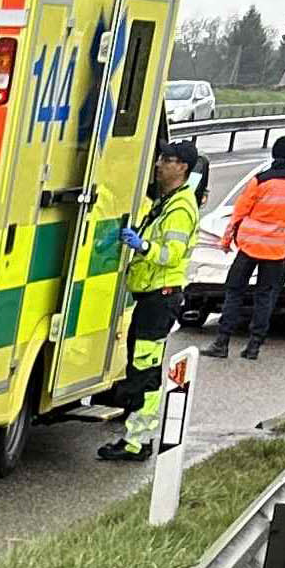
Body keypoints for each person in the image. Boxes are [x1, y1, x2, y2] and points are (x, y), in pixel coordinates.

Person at [97, 140, 204, 463]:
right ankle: (136, 436)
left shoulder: (182, 207)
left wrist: (142, 246)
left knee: (145, 371)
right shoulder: (167, 201)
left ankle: (137, 441)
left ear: (182, 167)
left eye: (166, 160)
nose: (159, 165)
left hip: (162, 297)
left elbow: (170, 254)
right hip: (152, 297)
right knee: (141, 367)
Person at [204, 134, 285, 361]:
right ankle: (254, 346)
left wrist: (226, 240)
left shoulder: (260, 180)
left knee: (234, 292)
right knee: (265, 297)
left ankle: (222, 342)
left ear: (273, 153)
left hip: (250, 246)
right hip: (277, 250)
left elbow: (240, 212)